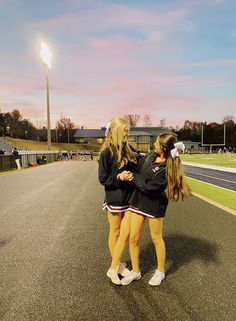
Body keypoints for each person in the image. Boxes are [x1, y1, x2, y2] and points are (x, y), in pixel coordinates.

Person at [107, 133, 192, 286]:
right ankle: (136, 271)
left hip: (153, 204)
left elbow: (150, 187)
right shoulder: (151, 156)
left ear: (164, 148)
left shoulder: (167, 167)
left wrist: (133, 176)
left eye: (157, 143)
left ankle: (160, 271)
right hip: (138, 201)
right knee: (133, 238)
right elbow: (136, 163)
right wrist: (120, 153)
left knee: (156, 238)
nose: (154, 144)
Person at [98, 117, 138, 278]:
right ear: (116, 131)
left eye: (128, 130)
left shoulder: (128, 148)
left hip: (129, 198)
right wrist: (119, 178)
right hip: (115, 197)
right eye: (125, 130)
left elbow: (138, 164)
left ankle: (117, 262)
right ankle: (118, 264)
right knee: (115, 231)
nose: (127, 134)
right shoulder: (106, 152)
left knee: (125, 233)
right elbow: (103, 178)